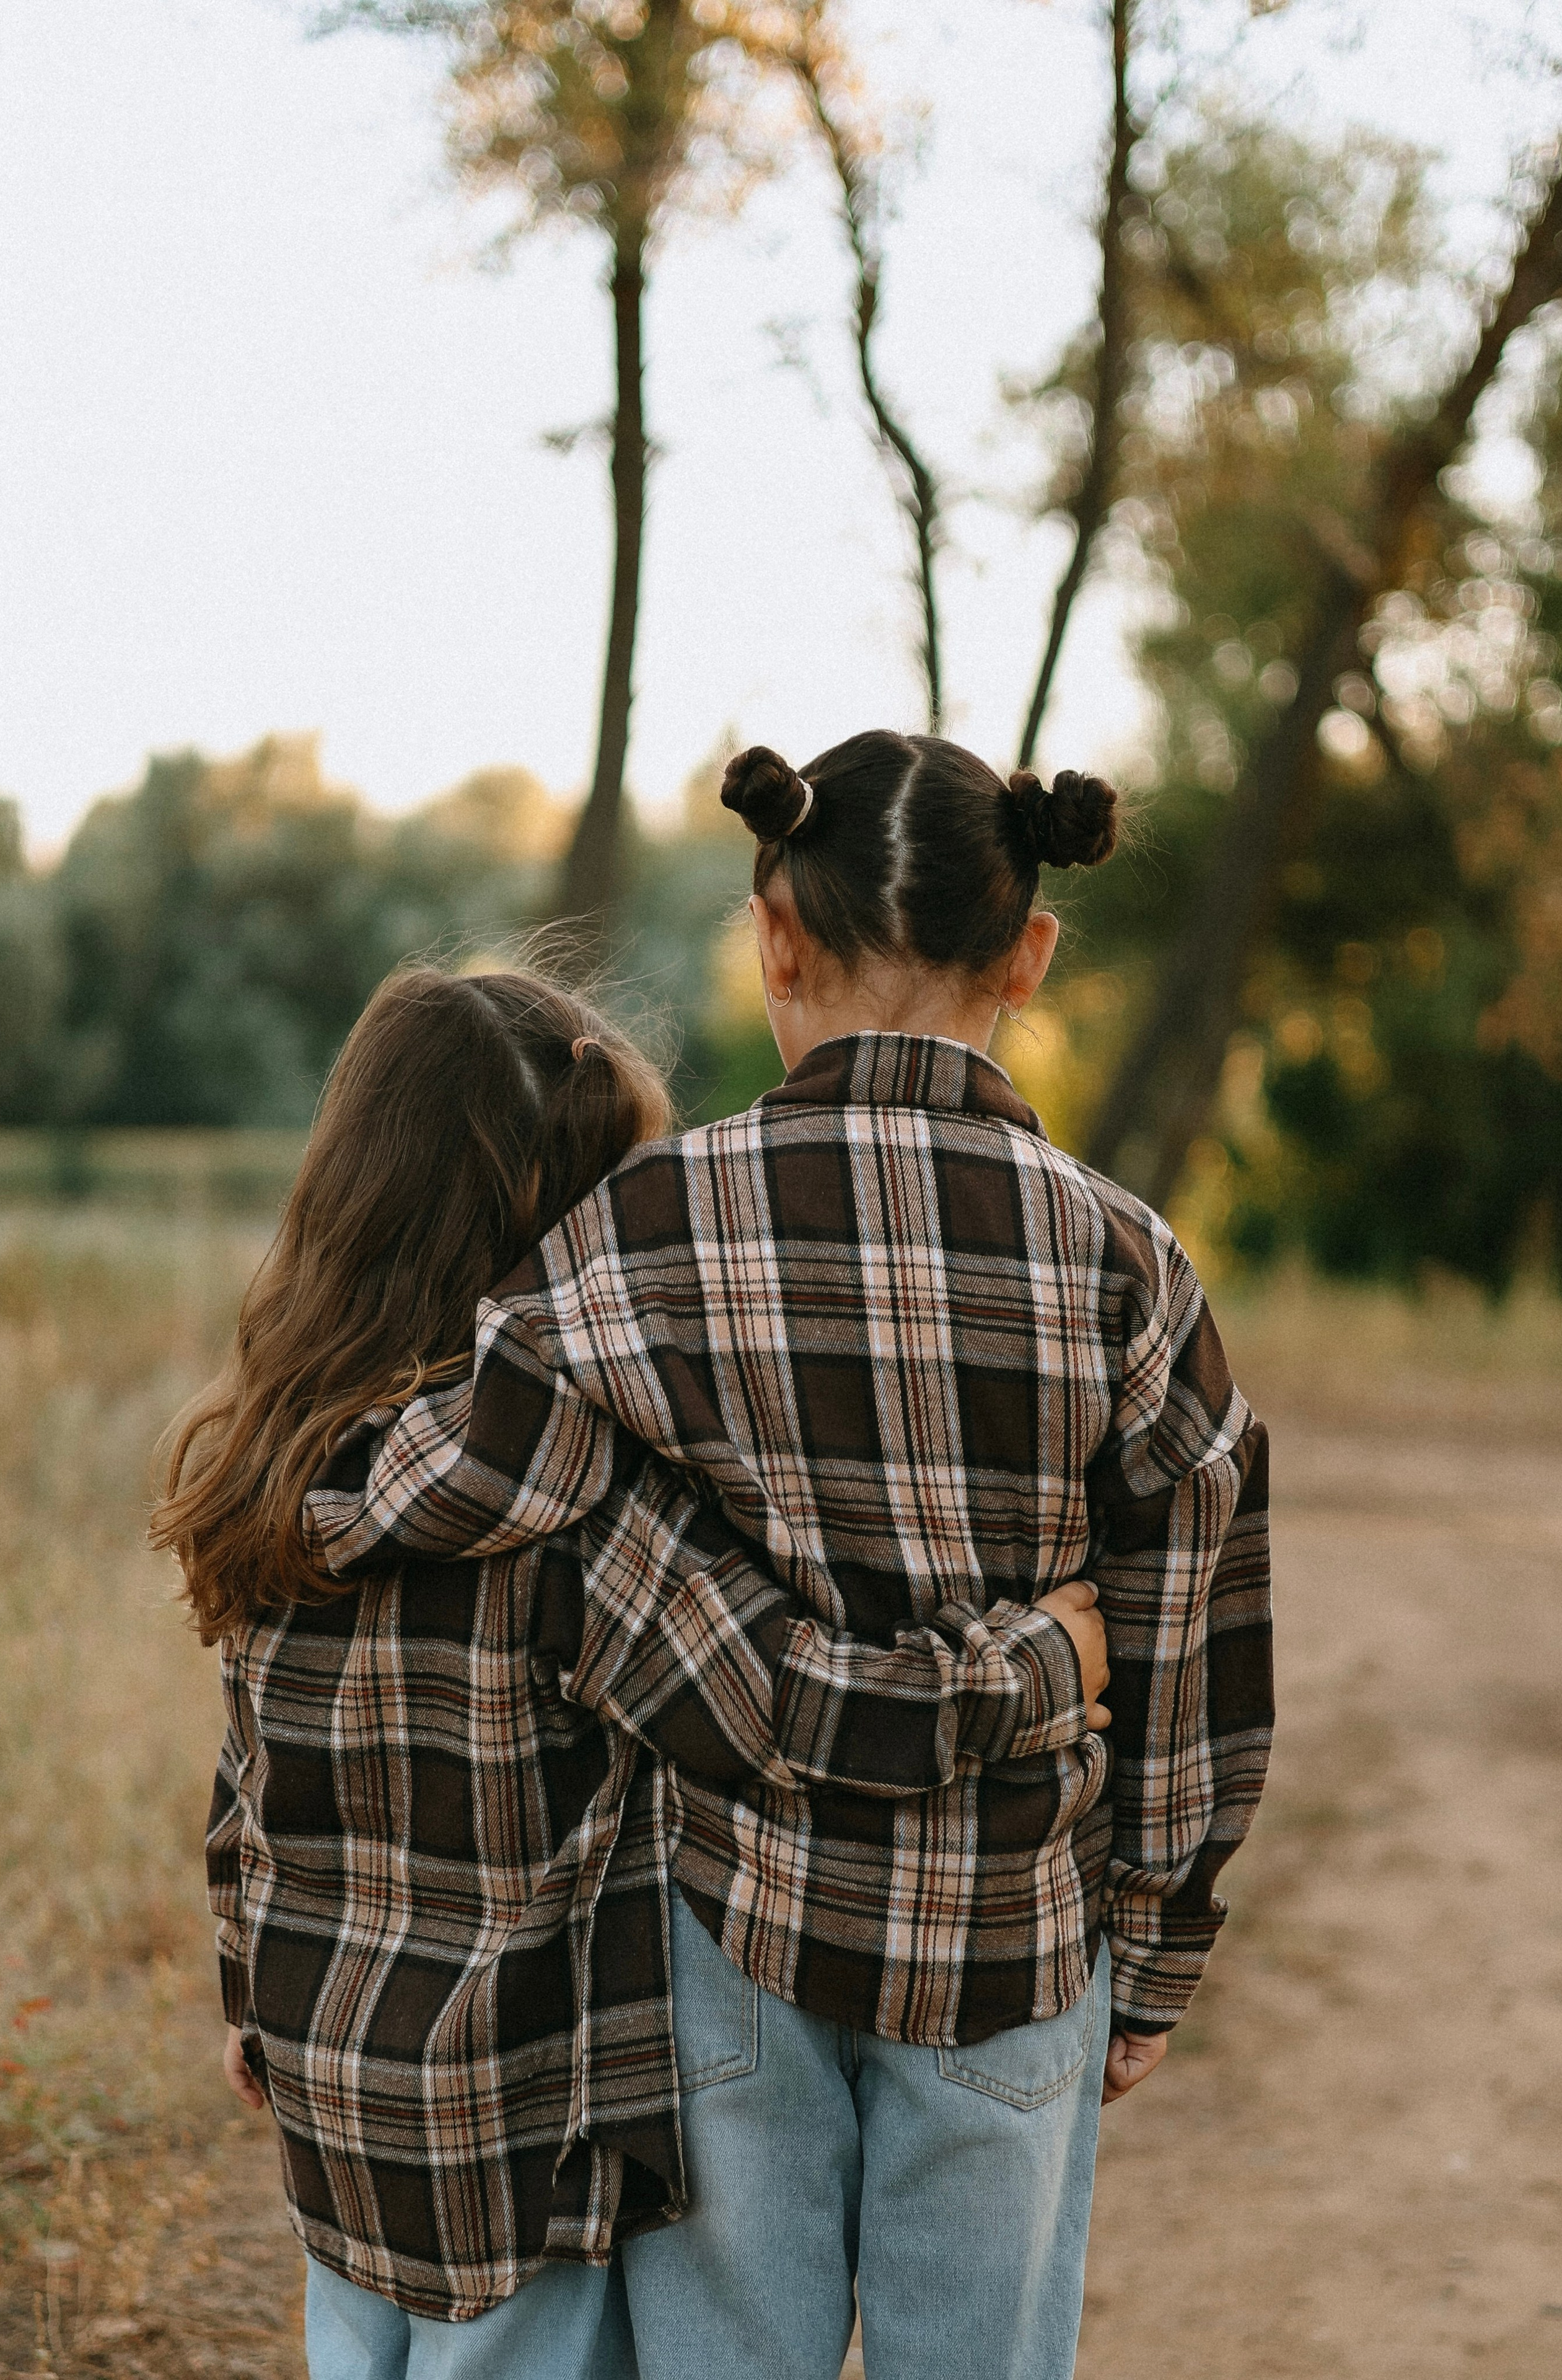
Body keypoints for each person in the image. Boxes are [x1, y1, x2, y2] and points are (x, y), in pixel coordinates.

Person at [305, 736, 1275, 2380]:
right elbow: (1192, 1623)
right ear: (1030, 954)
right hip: (1014, 1942)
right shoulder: (1131, 1260)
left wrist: (302, 1488)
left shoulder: (645, 1228)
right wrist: (1161, 1935)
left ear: (773, 935)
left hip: (727, 1939)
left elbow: (461, 1475)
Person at [153, 961, 1111, 2380]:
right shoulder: (568, 1509)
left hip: (339, 2103)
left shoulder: (274, 1460)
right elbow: (792, 1712)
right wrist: (1037, 1663)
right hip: (531, 2147)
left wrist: (250, 1990)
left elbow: (255, 1784)